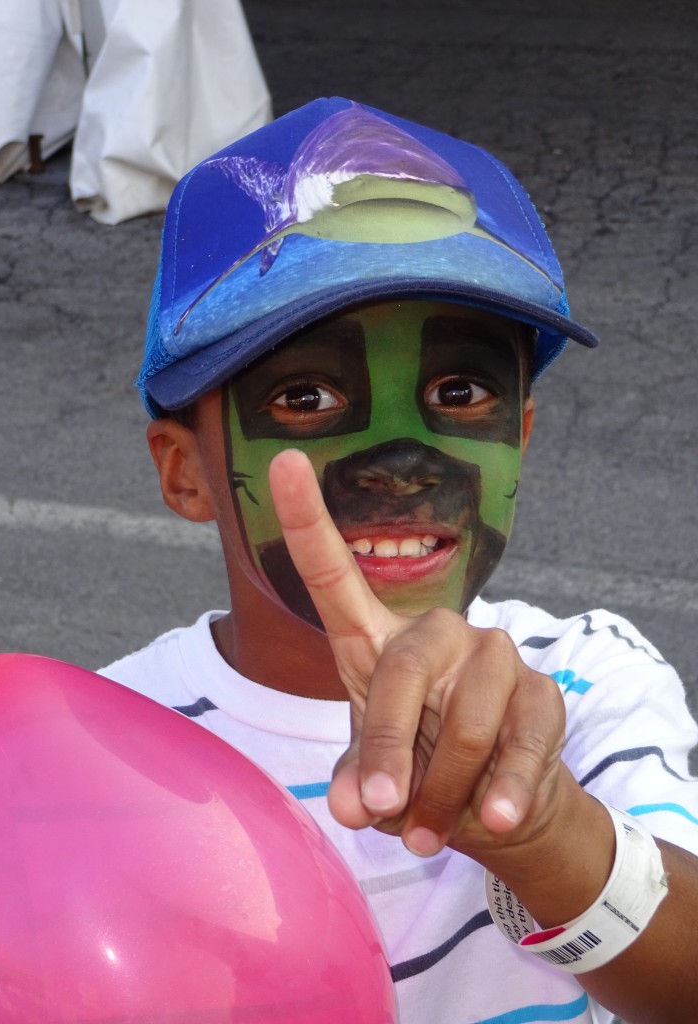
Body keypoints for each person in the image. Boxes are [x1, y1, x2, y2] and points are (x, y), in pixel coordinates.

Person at [100, 97, 698, 1023]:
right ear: (185, 472)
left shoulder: (586, 684)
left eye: (460, 391)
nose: (405, 459)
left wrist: (541, 828)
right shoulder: (101, 753)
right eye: (305, 395)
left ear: (524, 436)